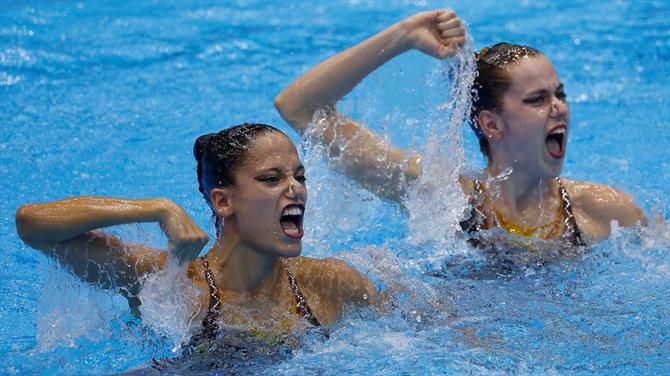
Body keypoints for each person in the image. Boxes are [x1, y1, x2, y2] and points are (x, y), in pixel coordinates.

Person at [274, 9, 646, 250]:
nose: (559, 107)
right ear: (491, 124)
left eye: (560, 94)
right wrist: (403, 36)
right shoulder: (446, 198)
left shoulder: (603, 210)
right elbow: (298, 107)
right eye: (537, 99)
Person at [15, 123, 376, 336]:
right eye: (271, 179)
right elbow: (33, 225)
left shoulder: (330, 283)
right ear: (223, 201)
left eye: (300, 176)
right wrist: (157, 209)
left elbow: (422, 328)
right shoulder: (171, 284)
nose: (295, 188)